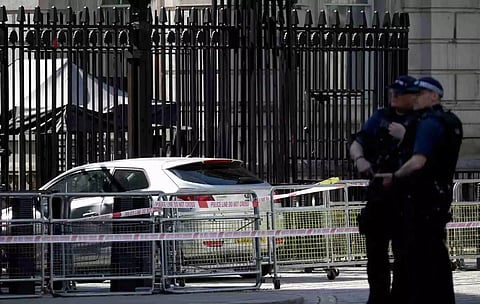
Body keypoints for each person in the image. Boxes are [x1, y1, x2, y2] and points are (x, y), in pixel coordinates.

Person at [379, 77, 463, 304]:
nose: (415, 97)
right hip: (439, 199)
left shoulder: (428, 123)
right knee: (437, 259)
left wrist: (394, 177)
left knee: (415, 262)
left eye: (421, 93)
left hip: (420, 201)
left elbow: (418, 161)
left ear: (434, 96)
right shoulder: (451, 121)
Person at [350, 75, 419, 304]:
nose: (394, 97)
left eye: (400, 93)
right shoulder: (381, 116)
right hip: (379, 195)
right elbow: (358, 141)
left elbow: (429, 153)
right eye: (393, 93)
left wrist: (406, 136)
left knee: (405, 259)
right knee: (376, 258)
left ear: (413, 96)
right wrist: (359, 158)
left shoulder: (422, 120)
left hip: (406, 198)